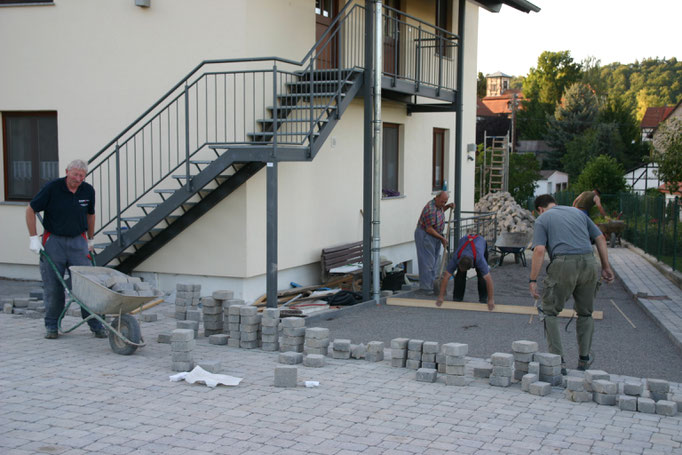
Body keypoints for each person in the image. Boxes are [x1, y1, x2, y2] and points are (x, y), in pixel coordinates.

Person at [529, 194, 614, 372]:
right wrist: (605, 267)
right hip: (589, 263)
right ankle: (584, 359)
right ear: (555, 203)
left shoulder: (543, 219)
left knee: (549, 312)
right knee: (585, 313)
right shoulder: (578, 213)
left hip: (563, 264)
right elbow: (600, 238)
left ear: (540, 209)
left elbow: (539, 250)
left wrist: (533, 279)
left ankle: (557, 363)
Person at [26, 159, 107, 339]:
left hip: (78, 242)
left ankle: (96, 324)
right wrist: (33, 237)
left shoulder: (87, 190)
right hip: (54, 241)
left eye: (81, 176)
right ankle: (52, 326)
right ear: (67, 172)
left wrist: (91, 240)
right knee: (53, 286)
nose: (78, 179)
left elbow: (90, 215)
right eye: (75, 174)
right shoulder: (53, 188)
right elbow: (30, 209)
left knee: (87, 285)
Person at [435, 234, 495, 311]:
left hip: (480, 242)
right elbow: (446, 276)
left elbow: (489, 280)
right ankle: (457, 298)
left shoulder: (479, 259)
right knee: (460, 275)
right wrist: (441, 296)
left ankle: (483, 299)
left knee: (481, 275)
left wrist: (491, 299)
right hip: (465, 241)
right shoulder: (456, 256)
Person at [414, 191, 454, 292]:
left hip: (435, 235)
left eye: (445, 202)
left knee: (435, 261)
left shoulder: (438, 205)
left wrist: (448, 206)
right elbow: (429, 229)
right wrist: (442, 238)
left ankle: (432, 285)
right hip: (426, 235)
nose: (443, 204)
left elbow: (439, 211)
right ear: (436, 198)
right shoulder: (430, 209)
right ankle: (426, 288)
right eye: (442, 202)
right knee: (427, 262)